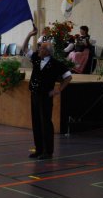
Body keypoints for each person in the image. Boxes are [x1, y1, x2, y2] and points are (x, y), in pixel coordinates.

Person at [22, 26, 72, 160]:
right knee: (36, 122)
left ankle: (47, 151)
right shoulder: (36, 59)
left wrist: (58, 89)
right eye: (39, 47)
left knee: (45, 122)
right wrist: (29, 34)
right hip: (34, 94)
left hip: (45, 96)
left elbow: (68, 77)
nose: (39, 49)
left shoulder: (56, 64)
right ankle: (38, 149)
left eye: (41, 48)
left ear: (48, 52)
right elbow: (24, 49)